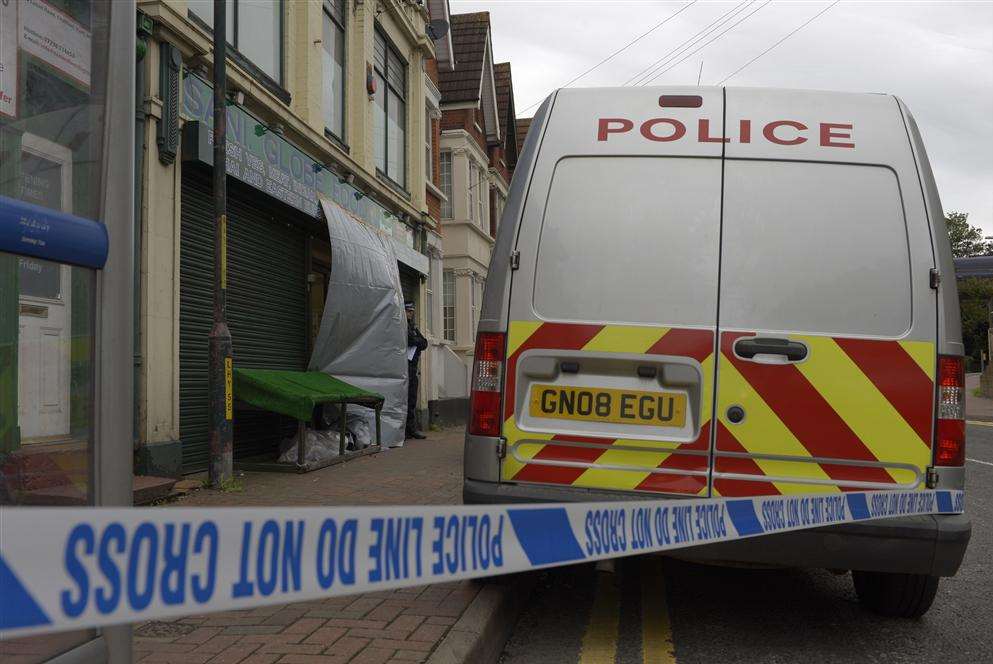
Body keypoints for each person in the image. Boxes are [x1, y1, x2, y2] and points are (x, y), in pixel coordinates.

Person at [405, 301, 428, 440]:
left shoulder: (412, 326)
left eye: (412, 311)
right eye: (408, 311)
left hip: (412, 367)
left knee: (412, 398)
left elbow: (424, 342)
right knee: (405, 398)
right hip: (404, 367)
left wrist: (417, 341)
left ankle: (411, 429)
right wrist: (417, 341)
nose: (411, 313)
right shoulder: (402, 326)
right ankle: (406, 430)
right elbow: (410, 340)